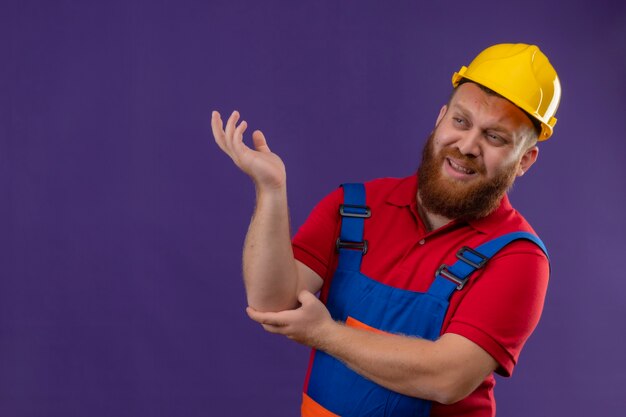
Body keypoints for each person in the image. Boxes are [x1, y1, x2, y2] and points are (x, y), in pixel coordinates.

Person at [211, 43, 561, 417]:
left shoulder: (517, 257)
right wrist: (271, 191)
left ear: (524, 160)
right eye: (460, 121)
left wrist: (324, 333)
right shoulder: (356, 209)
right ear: (440, 118)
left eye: (494, 137)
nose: (468, 145)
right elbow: (271, 303)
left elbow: (448, 378)